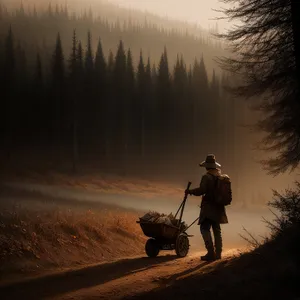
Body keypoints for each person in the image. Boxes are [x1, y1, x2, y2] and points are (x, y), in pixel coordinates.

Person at [185, 154, 228, 261]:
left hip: (208, 207)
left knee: (204, 228)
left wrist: (190, 191)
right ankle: (218, 254)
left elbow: (202, 190)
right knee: (216, 230)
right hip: (218, 207)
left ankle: (210, 253)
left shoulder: (206, 177)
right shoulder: (220, 176)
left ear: (207, 166)